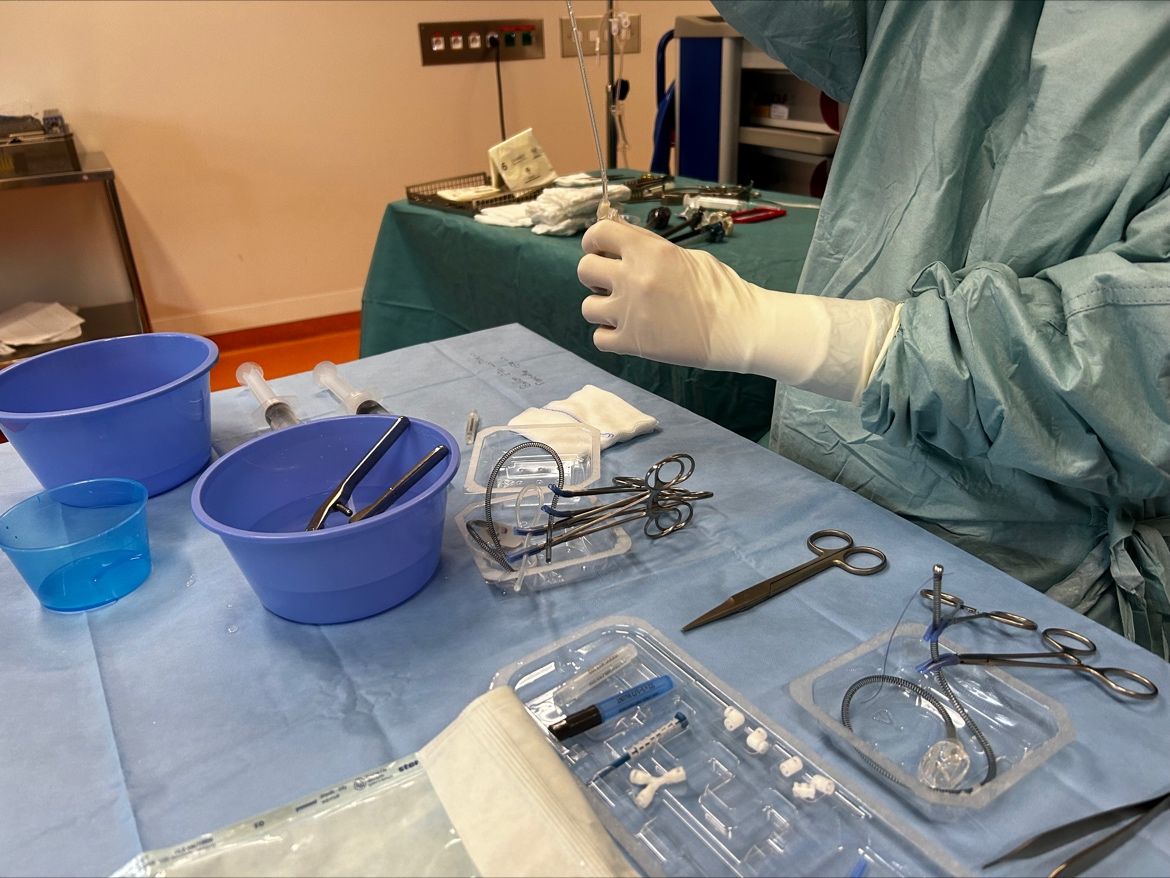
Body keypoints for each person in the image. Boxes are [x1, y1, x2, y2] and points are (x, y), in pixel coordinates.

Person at [577, 1, 1170, 657]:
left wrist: (777, 330)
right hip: (825, 483)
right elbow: (820, 17)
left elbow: (1133, 371)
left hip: (1028, 580)